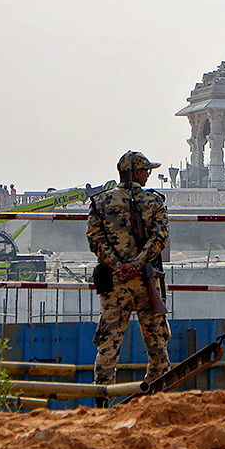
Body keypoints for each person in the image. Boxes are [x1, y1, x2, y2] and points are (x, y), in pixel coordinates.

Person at [86, 151, 171, 390]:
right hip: (145, 281)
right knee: (157, 344)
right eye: (146, 170)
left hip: (114, 284)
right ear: (135, 172)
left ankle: (102, 398)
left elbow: (95, 240)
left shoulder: (100, 201)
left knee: (108, 346)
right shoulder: (154, 202)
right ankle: (156, 396)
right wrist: (137, 264)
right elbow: (159, 238)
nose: (147, 176)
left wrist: (118, 265)